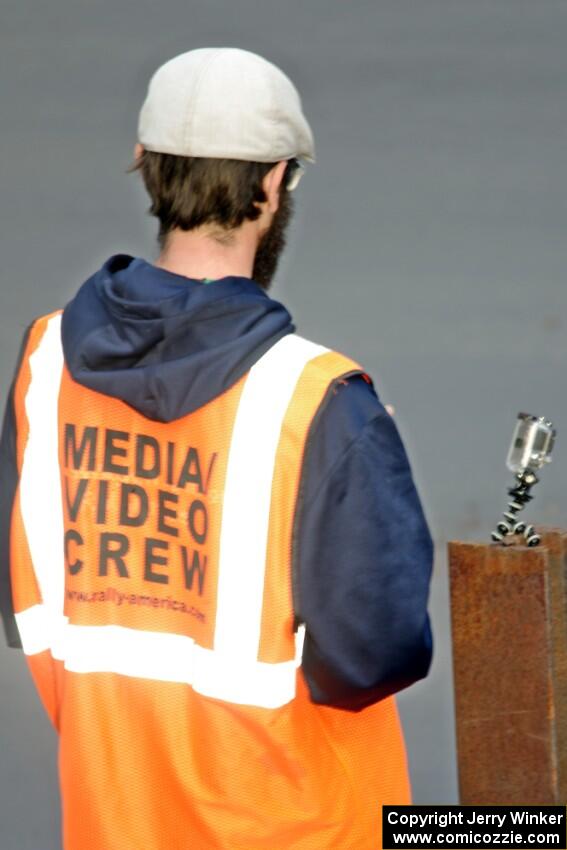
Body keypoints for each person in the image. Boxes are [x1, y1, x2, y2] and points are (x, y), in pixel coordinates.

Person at [0, 47, 433, 850]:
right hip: (312, 831)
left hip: (115, 823)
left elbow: (29, 612)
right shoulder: (321, 402)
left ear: (146, 167)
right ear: (272, 186)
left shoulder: (46, 364)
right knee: (509, 832)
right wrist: (367, 477)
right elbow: (374, 654)